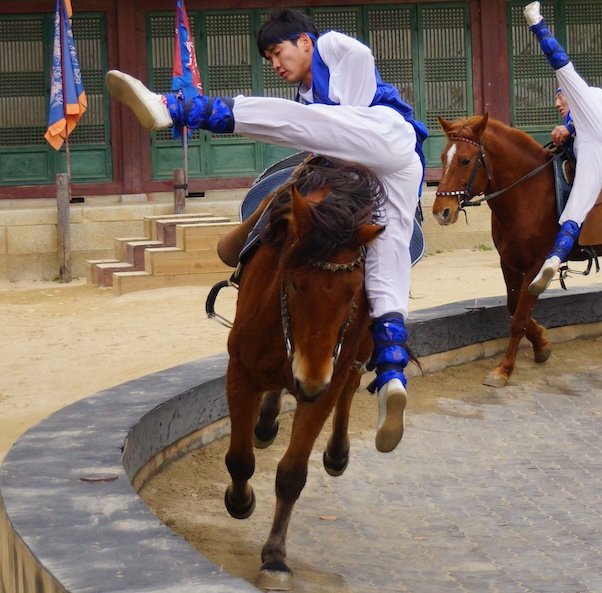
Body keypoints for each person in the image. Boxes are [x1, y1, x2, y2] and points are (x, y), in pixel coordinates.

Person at [105, 8, 428, 454]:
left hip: (385, 137)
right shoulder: (306, 96)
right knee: (386, 266)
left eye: (278, 51)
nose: (275, 64)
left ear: (305, 42)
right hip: (393, 173)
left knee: (301, 124)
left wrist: (330, 125)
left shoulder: (332, 46)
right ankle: (392, 372)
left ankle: (177, 107)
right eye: (269, 57)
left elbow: (348, 88)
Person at [522, 1, 602, 296]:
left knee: (563, 70)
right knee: (575, 211)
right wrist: (570, 131)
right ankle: (554, 259)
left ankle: (536, 22)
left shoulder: (585, 102)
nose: (557, 102)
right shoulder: (596, 118)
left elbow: (561, 63)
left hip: (593, 145)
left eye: (560, 98)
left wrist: (570, 127)